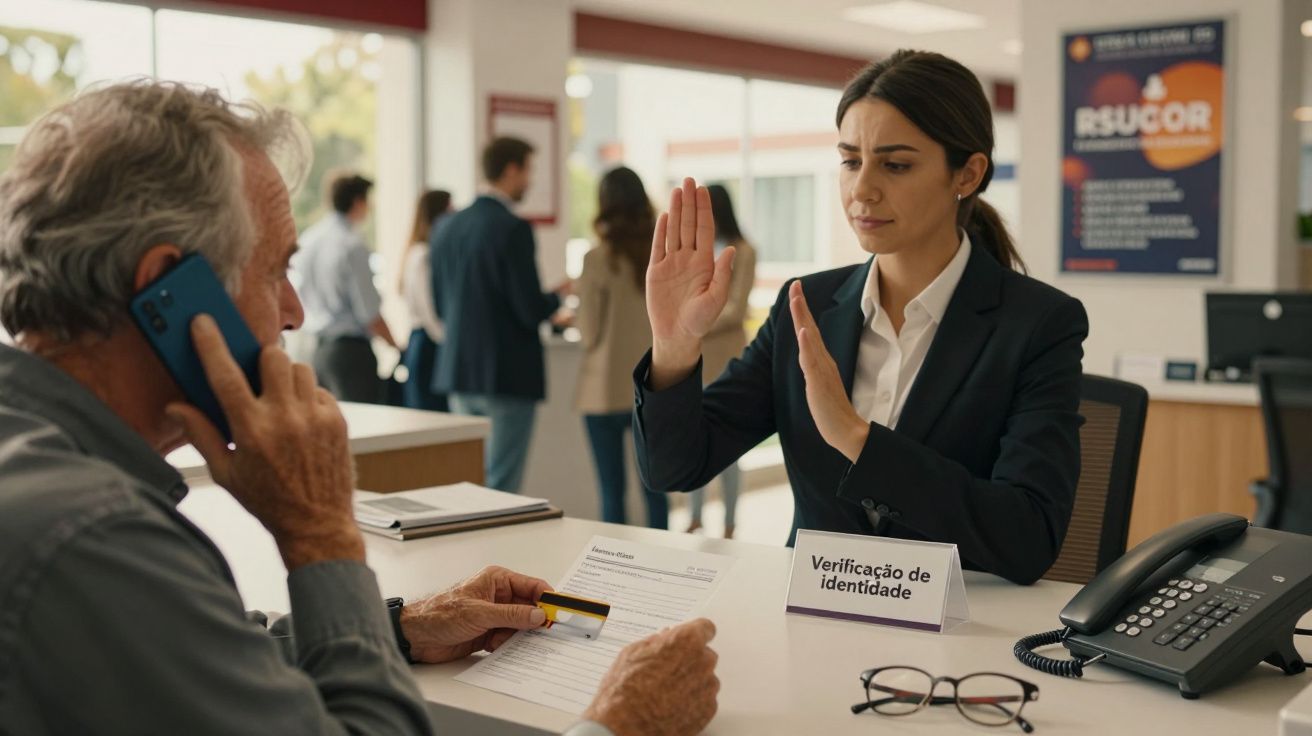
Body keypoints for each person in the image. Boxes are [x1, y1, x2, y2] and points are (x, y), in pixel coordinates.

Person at [0, 81, 719, 735]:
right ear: (168, 291)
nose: (294, 310)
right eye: (277, 269)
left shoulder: (43, 476)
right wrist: (321, 535)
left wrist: (397, 626)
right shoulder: (89, 538)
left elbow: (178, 651)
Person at [633, 50, 1089, 586]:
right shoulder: (807, 307)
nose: (861, 189)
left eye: (895, 165)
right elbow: (675, 469)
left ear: (967, 173)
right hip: (809, 626)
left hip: (954, 643)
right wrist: (674, 345)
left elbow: (1028, 538)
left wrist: (855, 437)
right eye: (851, 161)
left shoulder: (1038, 324)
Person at [431, 136, 571, 492]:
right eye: (528, 170)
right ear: (511, 170)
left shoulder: (447, 227)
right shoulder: (512, 228)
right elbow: (529, 309)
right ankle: (495, 552)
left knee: (467, 484)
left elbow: (439, 302)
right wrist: (558, 297)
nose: (530, 180)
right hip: (507, 373)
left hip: (460, 369)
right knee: (502, 484)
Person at [574, 167, 667, 529]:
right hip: (650, 386)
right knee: (654, 489)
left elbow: (589, 332)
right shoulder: (659, 255)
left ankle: (613, 575)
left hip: (603, 389)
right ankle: (663, 561)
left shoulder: (596, 258)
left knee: (611, 491)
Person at [683, 184, 757, 540]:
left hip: (726, 355)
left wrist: (696, 320)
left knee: (728, 448)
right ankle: (695, 516)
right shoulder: (696, 252)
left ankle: (730, 522)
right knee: (695, 440)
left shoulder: (744, 251)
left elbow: (737, 307)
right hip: (698, 356)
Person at [294, 171, 399, 403]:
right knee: (363, 430)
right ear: (358, 202)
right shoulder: (352, 246)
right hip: (350, 354)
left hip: (319, 351)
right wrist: (397, 347)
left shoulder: (310, 240)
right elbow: (369, 312)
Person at [400, 189, 453, 412]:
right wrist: (449, 341)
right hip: (429, 343)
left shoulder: (420, 252)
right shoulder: (422, 255)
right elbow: (428, 308)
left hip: (426, 341)